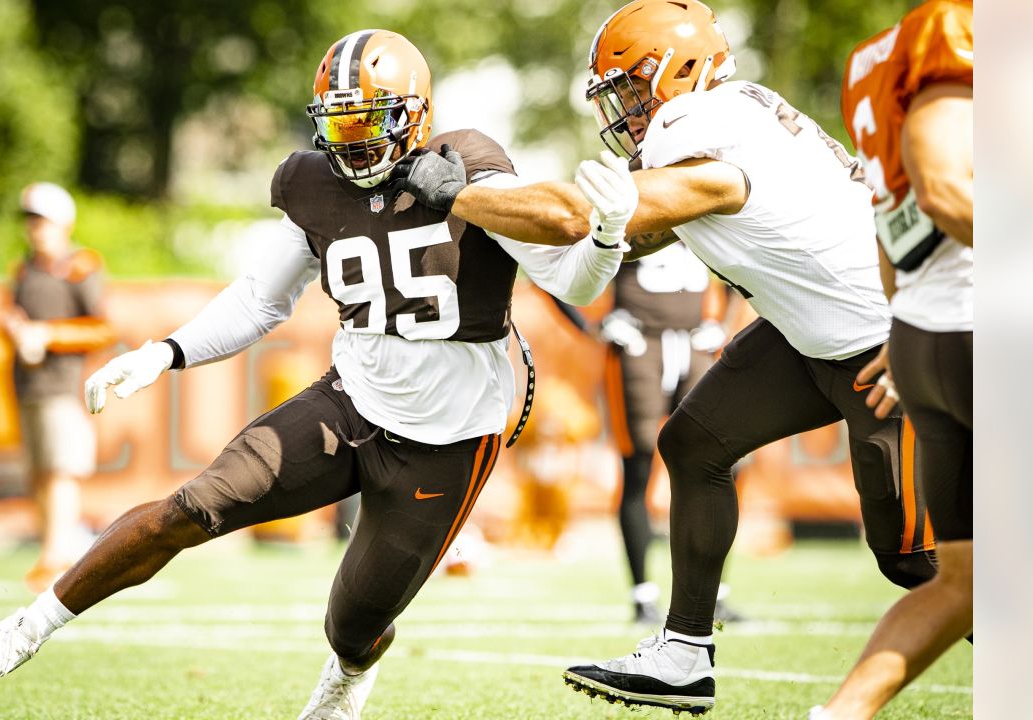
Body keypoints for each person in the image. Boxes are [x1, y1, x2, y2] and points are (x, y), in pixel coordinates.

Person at [0, 30, 629, 719]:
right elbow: (258, 300)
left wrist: (605, 235)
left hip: (448, 439)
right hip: (350, 403)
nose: (354, 140)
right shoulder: (315, 186)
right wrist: (163, 352)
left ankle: (346, 678)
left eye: (369, 120)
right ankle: (24, 630)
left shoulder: (470, 166)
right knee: (185, 511)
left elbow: (571, 282)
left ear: (413, 115)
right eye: (340, 123)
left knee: (353, 626)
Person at [393, 1, 937, 713]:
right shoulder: (723, 123)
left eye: (630, 89)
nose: (623, 110)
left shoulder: (702, 129)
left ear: (678, 74)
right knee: (694, 442)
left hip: (885, 345)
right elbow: (634, 232)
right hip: (811, 334)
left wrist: (465, 196)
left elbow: (575, 217)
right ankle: (683, 652)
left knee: (918, 563)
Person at [811, 3, 973, 718]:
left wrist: (909, 332)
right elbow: (938, 185)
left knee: (967, 584)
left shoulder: (882, 54)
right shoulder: (961, 24)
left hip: (928, 327)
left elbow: (893, 224)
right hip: (993, 324)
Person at [549, 248, 739, 625]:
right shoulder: (626, 204)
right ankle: (643, 596)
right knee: (638, 467)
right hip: (638, 345)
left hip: (696, 341)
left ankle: (712, 594)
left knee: (717, 465)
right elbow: (551, 267)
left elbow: (743, 258)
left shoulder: (704, 201)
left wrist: (725, 320)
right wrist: (591, 325)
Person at [0, 182, 115, 592]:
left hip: (62, 387)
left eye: (41, 220)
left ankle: (57, 553)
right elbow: (8, 315)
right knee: (37, 473)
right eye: (30, 220)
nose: (34, 229)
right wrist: (13, 328)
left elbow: (102, 327)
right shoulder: (25, 268)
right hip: (27, 385)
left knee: (60, 471)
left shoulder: (80, 266)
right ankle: (51, 549)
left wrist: (47, 335)